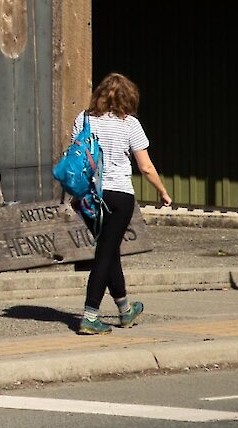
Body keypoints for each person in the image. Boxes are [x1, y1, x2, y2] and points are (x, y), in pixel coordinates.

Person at [73, 72, 175, 335]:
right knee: (105, 254)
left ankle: (125, 310)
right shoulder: (130, 124)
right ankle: (89, 316)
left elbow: (76, 157)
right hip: (119, 196)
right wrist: (162, 191)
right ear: (128, 98)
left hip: (89, 196)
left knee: (109, 251)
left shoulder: (83, 119)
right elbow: (146, 166)